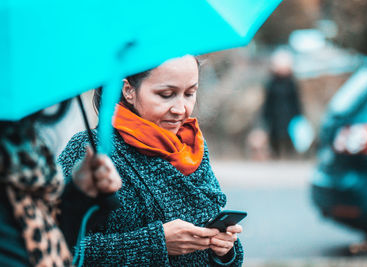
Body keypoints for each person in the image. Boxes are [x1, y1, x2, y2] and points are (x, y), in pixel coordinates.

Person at [58, 55, 244, 266]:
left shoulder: (191, 146)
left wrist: (225, 251)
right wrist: (156, 243)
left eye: (190, 93)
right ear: (128, 90)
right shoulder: (89, 150)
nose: (181, 109)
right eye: (166, 95)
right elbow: (56, 246)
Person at [0, 101, 122, 267]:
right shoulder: (81, 141)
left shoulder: (22, 145)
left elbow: (48, 238)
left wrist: (80, 193)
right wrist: (158, 240)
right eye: (164, 94)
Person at [262, 50, 302, 158]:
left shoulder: (291, 83)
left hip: (289, 116)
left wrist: (299, 116)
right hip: (275, 116)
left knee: (289, 138)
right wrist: (265, 116)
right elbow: (268, 101)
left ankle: (290, 156)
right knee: (275, 138)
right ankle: (276, 156)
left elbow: (296, 101)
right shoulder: (272, 83)